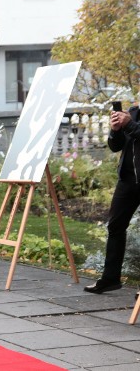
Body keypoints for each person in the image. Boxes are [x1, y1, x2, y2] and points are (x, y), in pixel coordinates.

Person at [84, 104, 140, 298]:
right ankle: (110, 279)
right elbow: (115, 146)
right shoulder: (132, 112)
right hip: (127, 181)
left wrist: (130, 125)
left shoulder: (130, 119)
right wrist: (116, 130)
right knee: (115, 227)